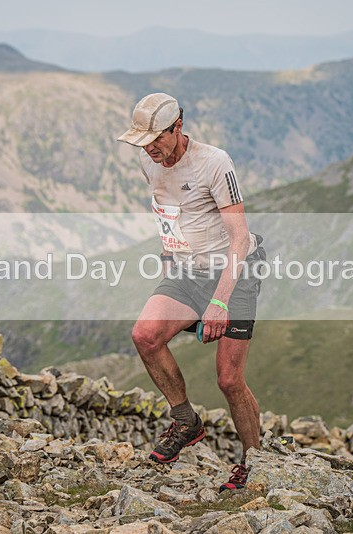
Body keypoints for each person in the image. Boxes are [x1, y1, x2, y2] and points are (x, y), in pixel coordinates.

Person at [117, 92, 265, 492]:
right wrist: (169, 260)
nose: (150, 149)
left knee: (229, 380)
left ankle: (256, 461)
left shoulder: (215, 163)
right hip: (187, 269)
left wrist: (218, 302)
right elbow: (170, 214)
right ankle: (186, 421)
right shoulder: (150, 161)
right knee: (145, 336)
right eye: (142, 142)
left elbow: (240, 238)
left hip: (234, 271)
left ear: (177, 127)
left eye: (156, 140)